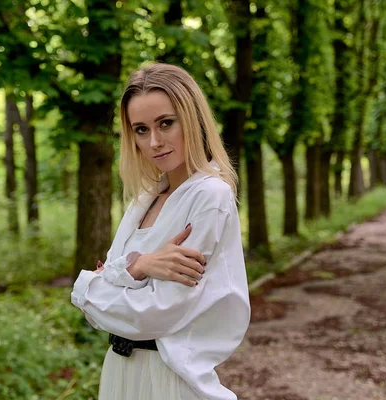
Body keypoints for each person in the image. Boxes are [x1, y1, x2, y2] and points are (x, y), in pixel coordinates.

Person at [70, 63, 250, 400]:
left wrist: (87, 291)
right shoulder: (144, 199)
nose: (154, 142)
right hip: (120, 371)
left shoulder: (209, 195)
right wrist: (140, 267)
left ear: (192, 119)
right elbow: (111, 284)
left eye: (166, 123)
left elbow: (160, 312)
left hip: (167, 377)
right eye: (140, 129)